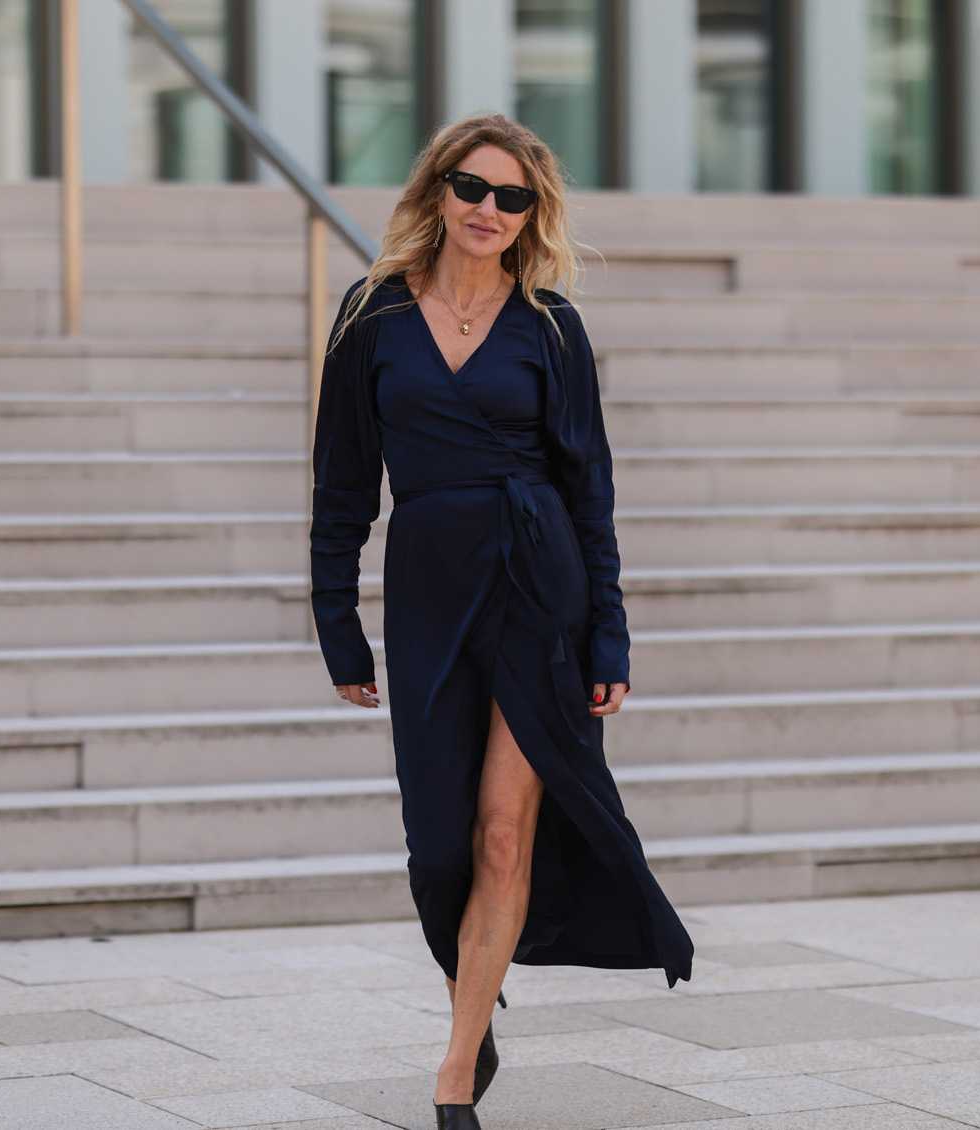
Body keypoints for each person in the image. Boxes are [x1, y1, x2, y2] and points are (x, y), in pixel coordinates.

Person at [311, 114, 695, 1130]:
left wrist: (608, 632)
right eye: (472, 188)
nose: (490, 209)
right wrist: (335, 620)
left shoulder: (550, 326)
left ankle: (452, 1076)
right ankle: (475, 1013)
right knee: (438, 845)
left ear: (532, 215)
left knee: (498, 829)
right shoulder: (371, 315)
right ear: (438, 192)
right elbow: (341, 484)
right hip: (429, 592)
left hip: (538, 586)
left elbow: (590, 490)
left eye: (513, 197)